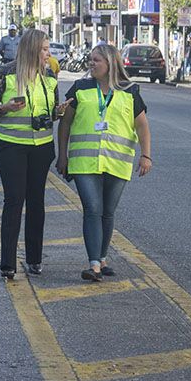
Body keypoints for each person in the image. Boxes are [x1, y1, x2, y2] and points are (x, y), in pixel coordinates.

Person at [57, 44, 152, 281]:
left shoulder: (129, 91)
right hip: (83, 162)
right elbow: (65, 123)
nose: (91, 64)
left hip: (117, 162)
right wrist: (62, 155)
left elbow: (142, 125)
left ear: (110, 63)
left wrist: (146, 155)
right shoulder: (80, 88)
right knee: (93, 209)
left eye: (96, 60)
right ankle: (94, 265)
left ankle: (102, 257)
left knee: (108, 212)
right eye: (90, 60)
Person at [0, 29, 67, 279]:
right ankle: (8, 262)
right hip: (11, 146)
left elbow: (50, 112)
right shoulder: (6, 73)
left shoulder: (49, 75)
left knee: (36, 203)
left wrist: (58, 112)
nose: (48, 53)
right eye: (44, 49)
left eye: (48, 48)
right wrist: (6, 108)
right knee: (14, 200)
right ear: (31, 49)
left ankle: (35, 259)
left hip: (41, 147)